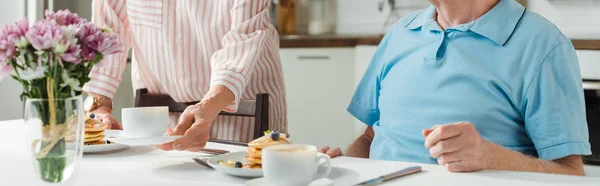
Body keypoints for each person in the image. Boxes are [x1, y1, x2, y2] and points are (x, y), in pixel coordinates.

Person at [319, 0, 591, 175]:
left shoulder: (543, 44)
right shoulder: (401, 33)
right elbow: (369, 138)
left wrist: (490, 156)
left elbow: (570, 172)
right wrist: (344, 169)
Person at [84, 0, 287, 151]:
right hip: (162, 118)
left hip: (246, 107)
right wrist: (99, 105)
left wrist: (208, 106)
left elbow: (244, 37)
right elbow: (108, 32)